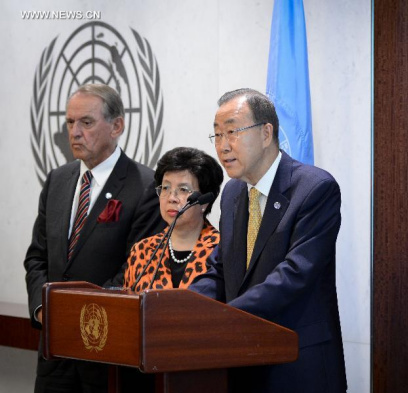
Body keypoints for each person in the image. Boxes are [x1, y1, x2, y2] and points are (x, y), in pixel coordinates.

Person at [189, 88, 347, 393]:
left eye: (232, 132)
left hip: (297, 362)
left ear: (265, 133)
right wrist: (183, 306)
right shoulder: (233, 193)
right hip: (243, 359)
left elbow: (294, 275)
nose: (223, 146)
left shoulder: (314, 188)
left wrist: (224, 317)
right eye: (217, 135)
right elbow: (222, 270)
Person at [24, 83, 164, 393]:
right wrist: (44, 310)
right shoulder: (57, 180)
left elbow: (136, 269)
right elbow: (37, 257)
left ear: (117, 126)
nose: (74, 132)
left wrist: (82, 317)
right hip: (54, 352)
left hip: (107, 353)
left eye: (86, 122)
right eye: (70, 122)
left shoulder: (145, 186)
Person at [124, 147, 223, 292]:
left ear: (204, 201)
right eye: (165, 188)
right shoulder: (142, 250)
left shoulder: (220, 250)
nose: (171, 198)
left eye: (183, 190)